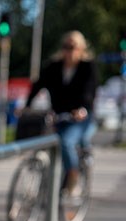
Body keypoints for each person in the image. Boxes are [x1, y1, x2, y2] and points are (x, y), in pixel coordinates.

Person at [25, 30, 97, 196]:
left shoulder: (87, 67)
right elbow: (38, 84)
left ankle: (73, 175)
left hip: (79, 117)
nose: (69, 51)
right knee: (43, 139)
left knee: (66, 141)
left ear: (81, 49)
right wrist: (27, 105)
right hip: (58, 115)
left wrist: (82, 109)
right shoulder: (54, 66)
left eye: (73, 47)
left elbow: (89, 91)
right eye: (66, 47)